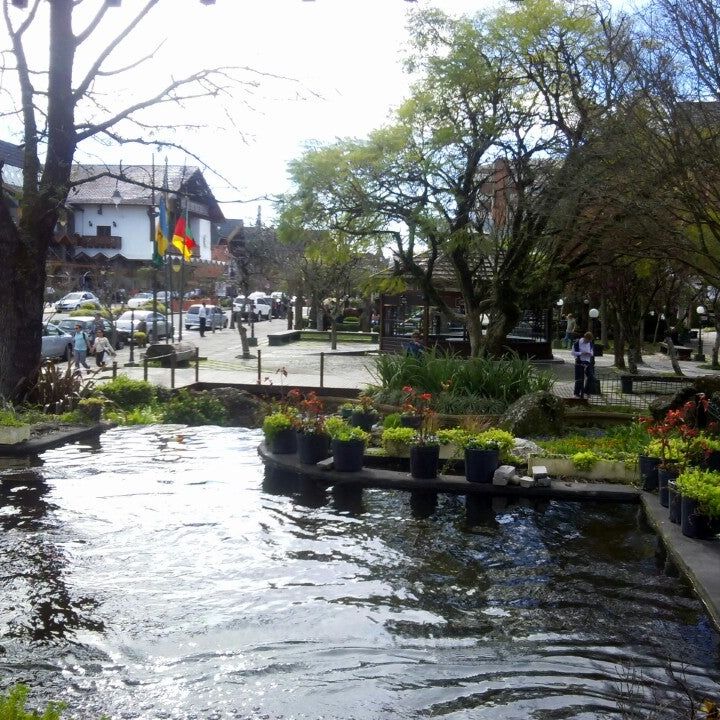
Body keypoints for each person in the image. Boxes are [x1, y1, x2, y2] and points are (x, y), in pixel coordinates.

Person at [571, 331, 595, 399]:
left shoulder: (590, 343)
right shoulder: (577, 343)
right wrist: (581, 353)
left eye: (590, 341)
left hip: (587, 362)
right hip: (579, 361)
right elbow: (572, 353)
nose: (588, 342)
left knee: (591, 377)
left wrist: (590, 353)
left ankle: (587, 391)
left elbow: (592, 352)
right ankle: (576, 394)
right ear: (585, 338)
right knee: (579, 378)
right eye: (588, 340)